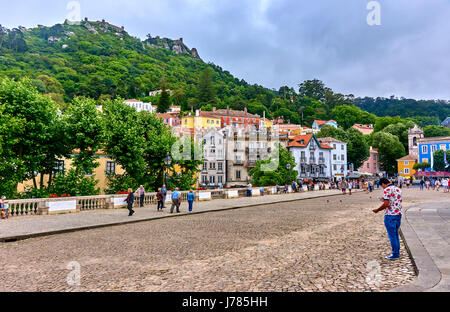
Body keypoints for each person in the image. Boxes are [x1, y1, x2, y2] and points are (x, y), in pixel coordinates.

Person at [373, 177, 403, 260]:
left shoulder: (386, 190)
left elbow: (386, 204)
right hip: (398, 214)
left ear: (383, 184)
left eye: (382, 186)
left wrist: (377, 210)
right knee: (396, 234)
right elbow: (394, 200)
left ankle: (395, 254)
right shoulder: (398, 189)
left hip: (390, 214)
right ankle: (397, 251)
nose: (382, 188)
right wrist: (384, 200)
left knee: (392, 235)